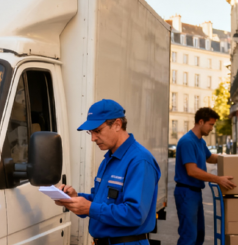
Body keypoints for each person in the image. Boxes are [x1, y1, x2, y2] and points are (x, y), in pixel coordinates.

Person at [56, 99, 161, 245]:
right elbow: (101, 200)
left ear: (117, 124)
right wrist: (74, 198)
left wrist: (89, 208)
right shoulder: (109, 159)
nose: (93, 138)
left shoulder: (140, 161)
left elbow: (135, 214)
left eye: (97, 131)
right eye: (90, 132)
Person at [174, 107, 236, 245]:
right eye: (211, 124)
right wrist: (218, 179)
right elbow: (192, 171)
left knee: (198, 235)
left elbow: (210, 158)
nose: (212, 128)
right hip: (186, 192)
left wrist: (230, 159)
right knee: (189, 236)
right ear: (201, 122)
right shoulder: (187, 141)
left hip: (195, 193)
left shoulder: (200, 141)